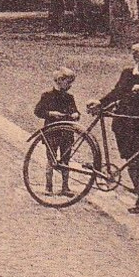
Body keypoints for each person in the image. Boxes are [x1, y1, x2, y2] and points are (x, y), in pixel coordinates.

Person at [88, 42, 139, 213]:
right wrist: (101, 103)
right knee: (132, 162)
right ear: (137, 59)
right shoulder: (127, 74)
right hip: (123, 125)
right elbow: (116, 92)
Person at [34, 67, 81, 195]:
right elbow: (38, 111)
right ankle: (48, 186)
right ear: (60, 80)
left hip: (66, 133)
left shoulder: (69, 97)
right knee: (51, 159)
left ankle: (65, 187)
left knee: (66, 160)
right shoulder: (47, 95)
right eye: (68, 82)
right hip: (52, 132)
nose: (70, 85)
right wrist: (51, 113)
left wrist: (76, 114)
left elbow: (75, 111)